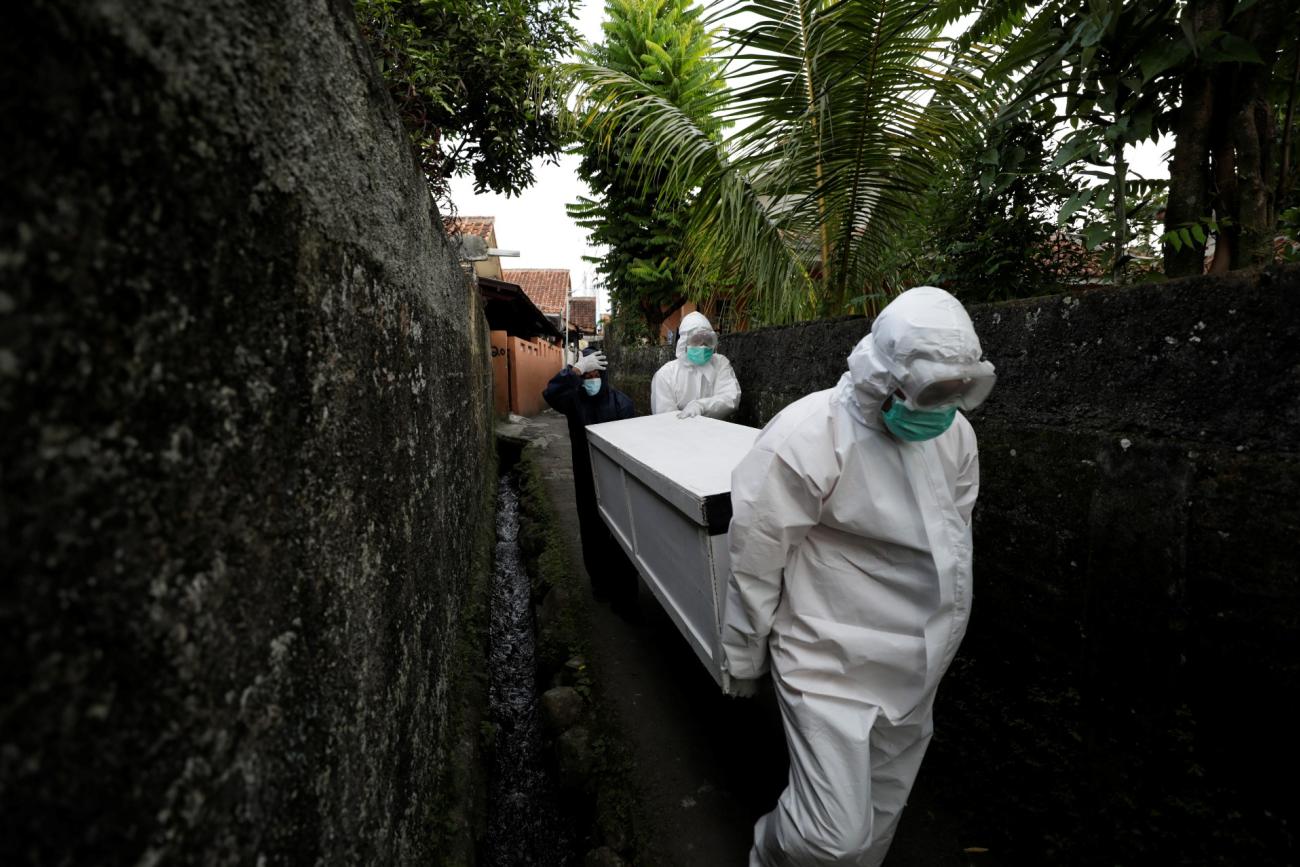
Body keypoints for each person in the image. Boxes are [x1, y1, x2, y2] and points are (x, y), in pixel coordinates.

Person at [722, 286, 996, 867]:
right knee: (831, 837)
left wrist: (944, 642)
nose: (941, 407)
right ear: (884, 375)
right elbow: (756, 555)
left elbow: (955, 542)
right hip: (827, 660)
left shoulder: (956, 435)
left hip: (916, 661)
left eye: (957, 390)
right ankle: (769, 854)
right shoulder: (807, 435)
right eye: (931, 390)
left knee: (879, 817)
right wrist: (743, 656)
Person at [542, 348, 639, 614]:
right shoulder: (574, 401)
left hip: (616, 479)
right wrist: (574, 370)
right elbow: (549, 393)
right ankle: (599, 583)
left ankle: (625, 592)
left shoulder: (622, 403)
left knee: (620, 534)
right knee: (592, 531)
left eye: (596, 374)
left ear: (605, 375)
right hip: (586, 475)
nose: (592, 379)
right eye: (588, 375)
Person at [650, 311, 741, 419]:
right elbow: (665, 418)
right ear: (684, 343)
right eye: (696, 340)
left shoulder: (720, 363)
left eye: (707, 341)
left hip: (714, 432)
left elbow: (731, 398)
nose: (702, 346)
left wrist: (702, 406)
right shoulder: (666, 375)